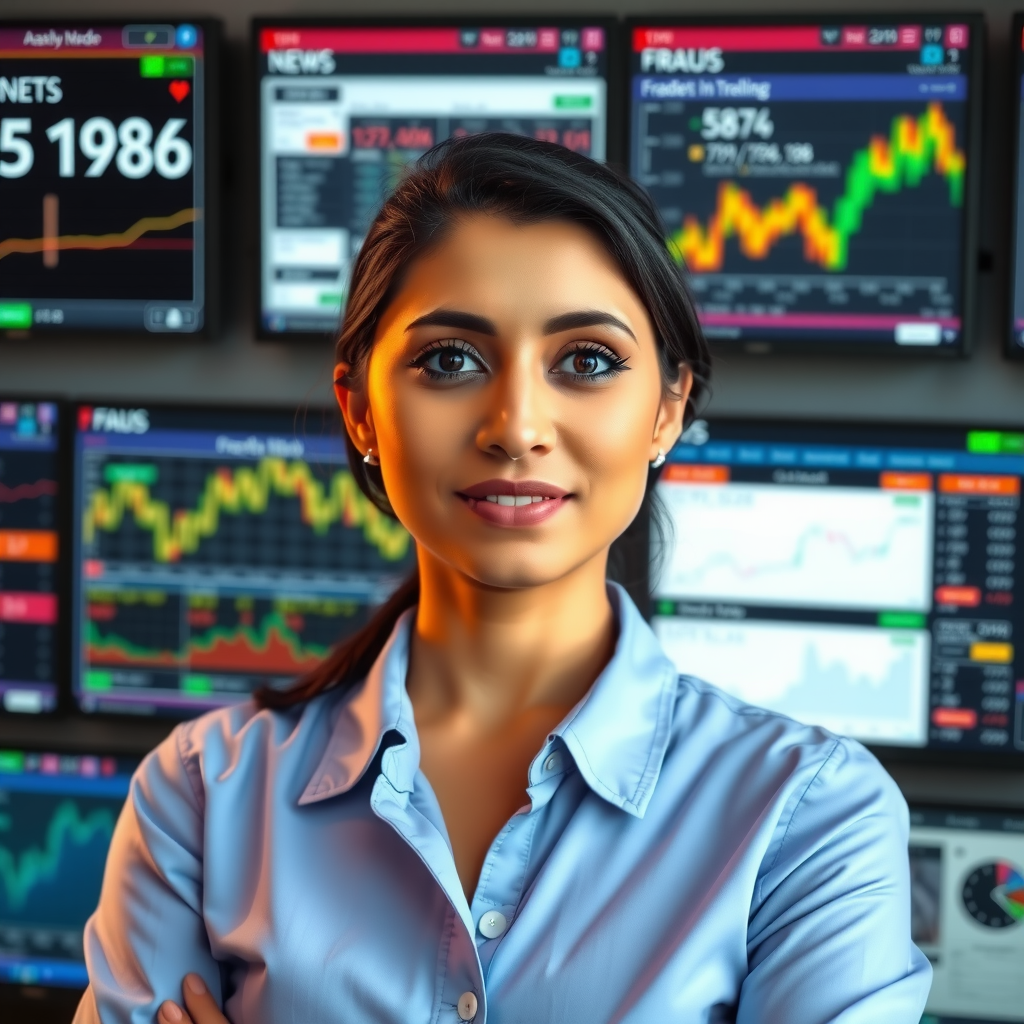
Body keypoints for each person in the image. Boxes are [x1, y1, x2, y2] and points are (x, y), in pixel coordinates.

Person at [74, 134, 931, 1024]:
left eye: (587, 362)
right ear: (361, 409)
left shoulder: (811, 817)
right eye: (450, 360)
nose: (517, 426)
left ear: (667, 411)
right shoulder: (200, 794)